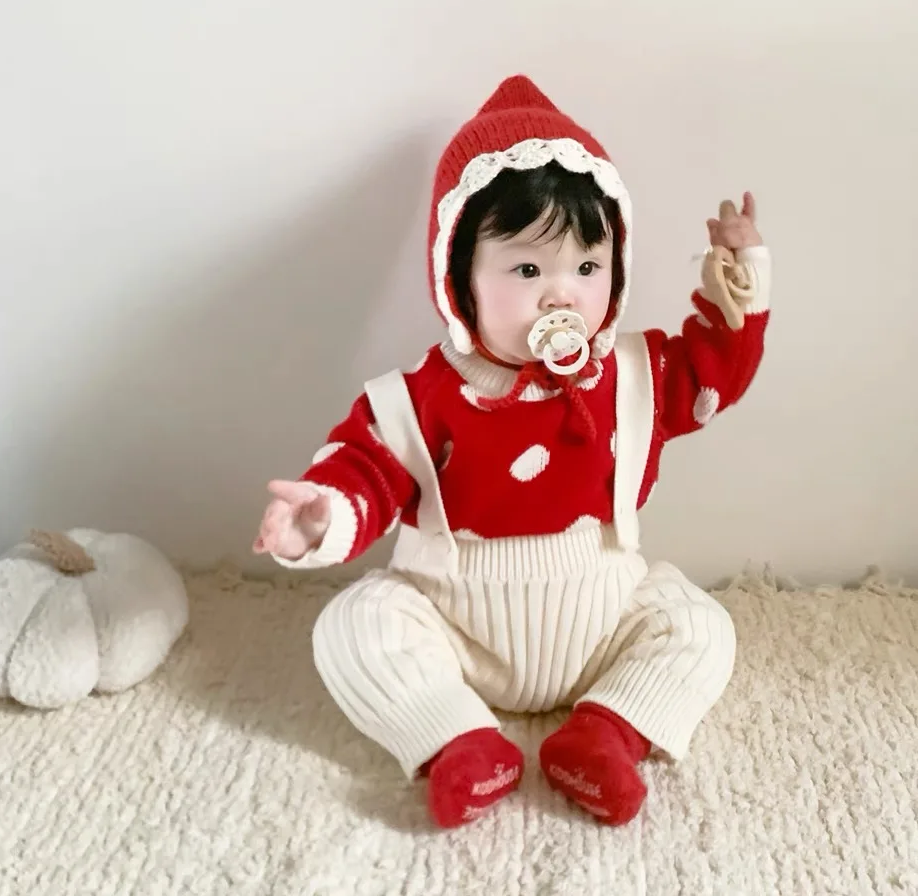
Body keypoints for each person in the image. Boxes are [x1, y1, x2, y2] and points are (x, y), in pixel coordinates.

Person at [253, 75, 771, 829]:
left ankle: (607, 733)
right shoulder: (421, 396)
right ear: (459, 278)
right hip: (456, 626)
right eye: (528, 270)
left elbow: (716, 367)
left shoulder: (633, 374)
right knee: (353, 623)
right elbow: (364, 468)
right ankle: (456, 740)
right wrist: (322, 515)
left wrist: (741, 277)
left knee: (701, 627)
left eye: (587, 268)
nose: (562, 295)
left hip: (601, 619)